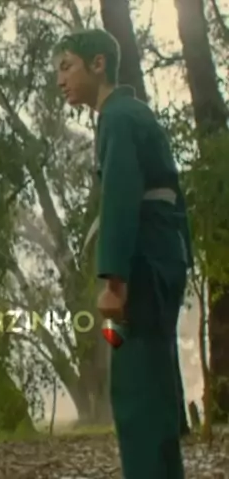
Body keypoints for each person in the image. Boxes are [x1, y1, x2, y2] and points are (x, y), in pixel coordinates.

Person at [53, 29, 192, 479]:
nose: (60, 80)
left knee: (136, 391)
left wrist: (113, 280)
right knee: (154, 385)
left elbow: (121, 195)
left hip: (142, 266)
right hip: (161, 257)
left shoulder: (118, 117)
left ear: (98, 64)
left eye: (67, 66)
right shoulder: (132, 114)